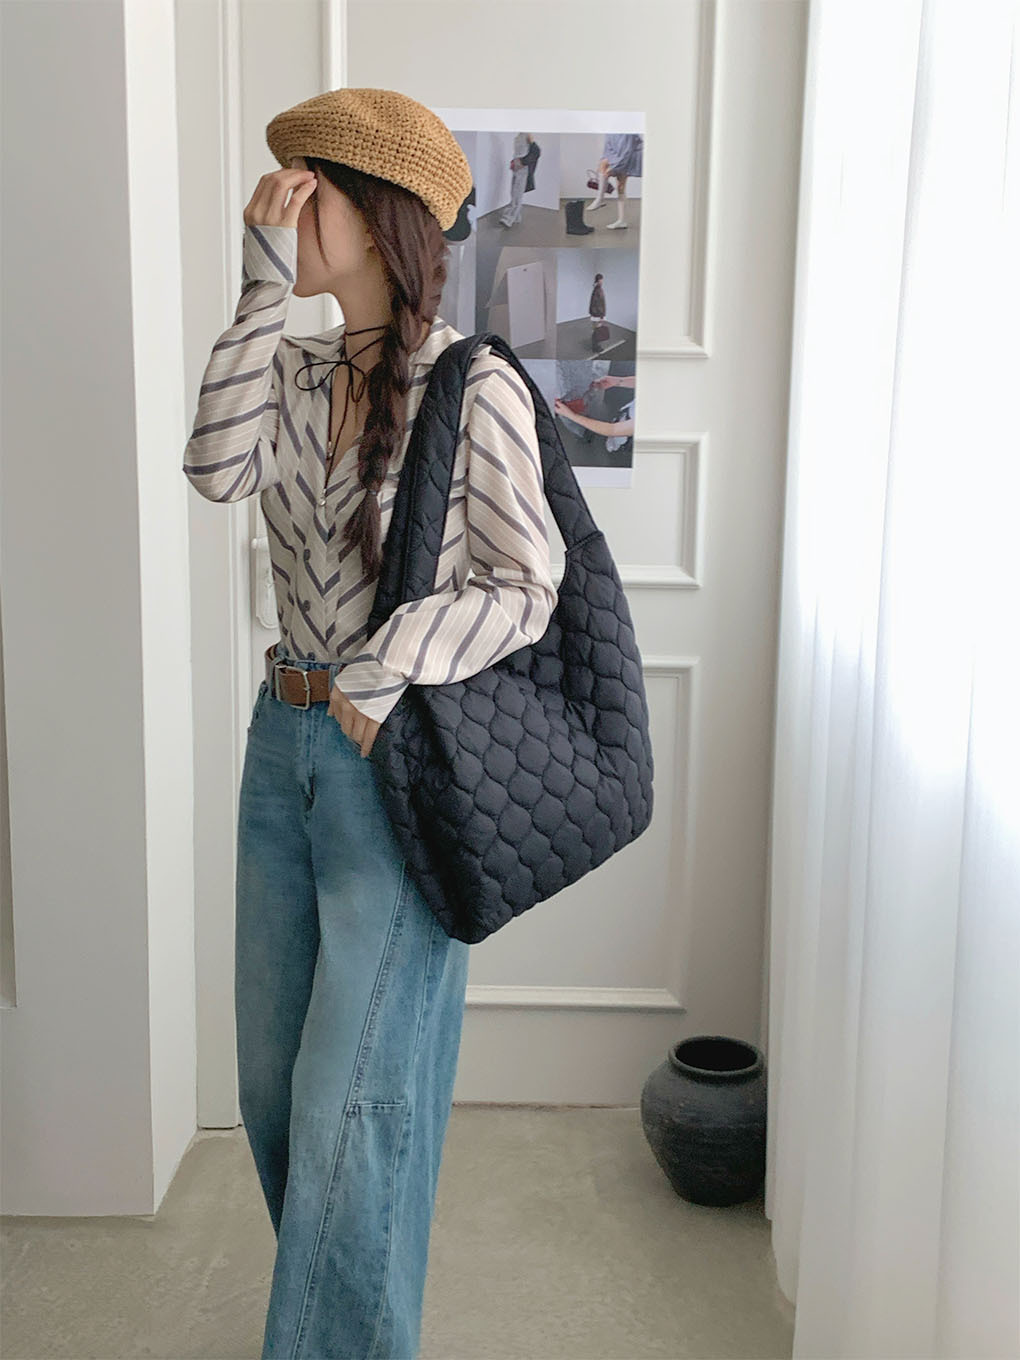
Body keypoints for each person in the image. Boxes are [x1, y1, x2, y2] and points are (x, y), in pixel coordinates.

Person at [182, 87, 558, 1360]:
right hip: (279, 748)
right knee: (275, 1089)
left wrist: (387, 663)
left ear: (377, 213)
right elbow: (212, 470)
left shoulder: (472, 381)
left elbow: (526, 580)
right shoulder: (290, 367)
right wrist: (258, 290)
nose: (281, 210)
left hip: (388, 763)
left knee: (356, 1103)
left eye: (306, 191)